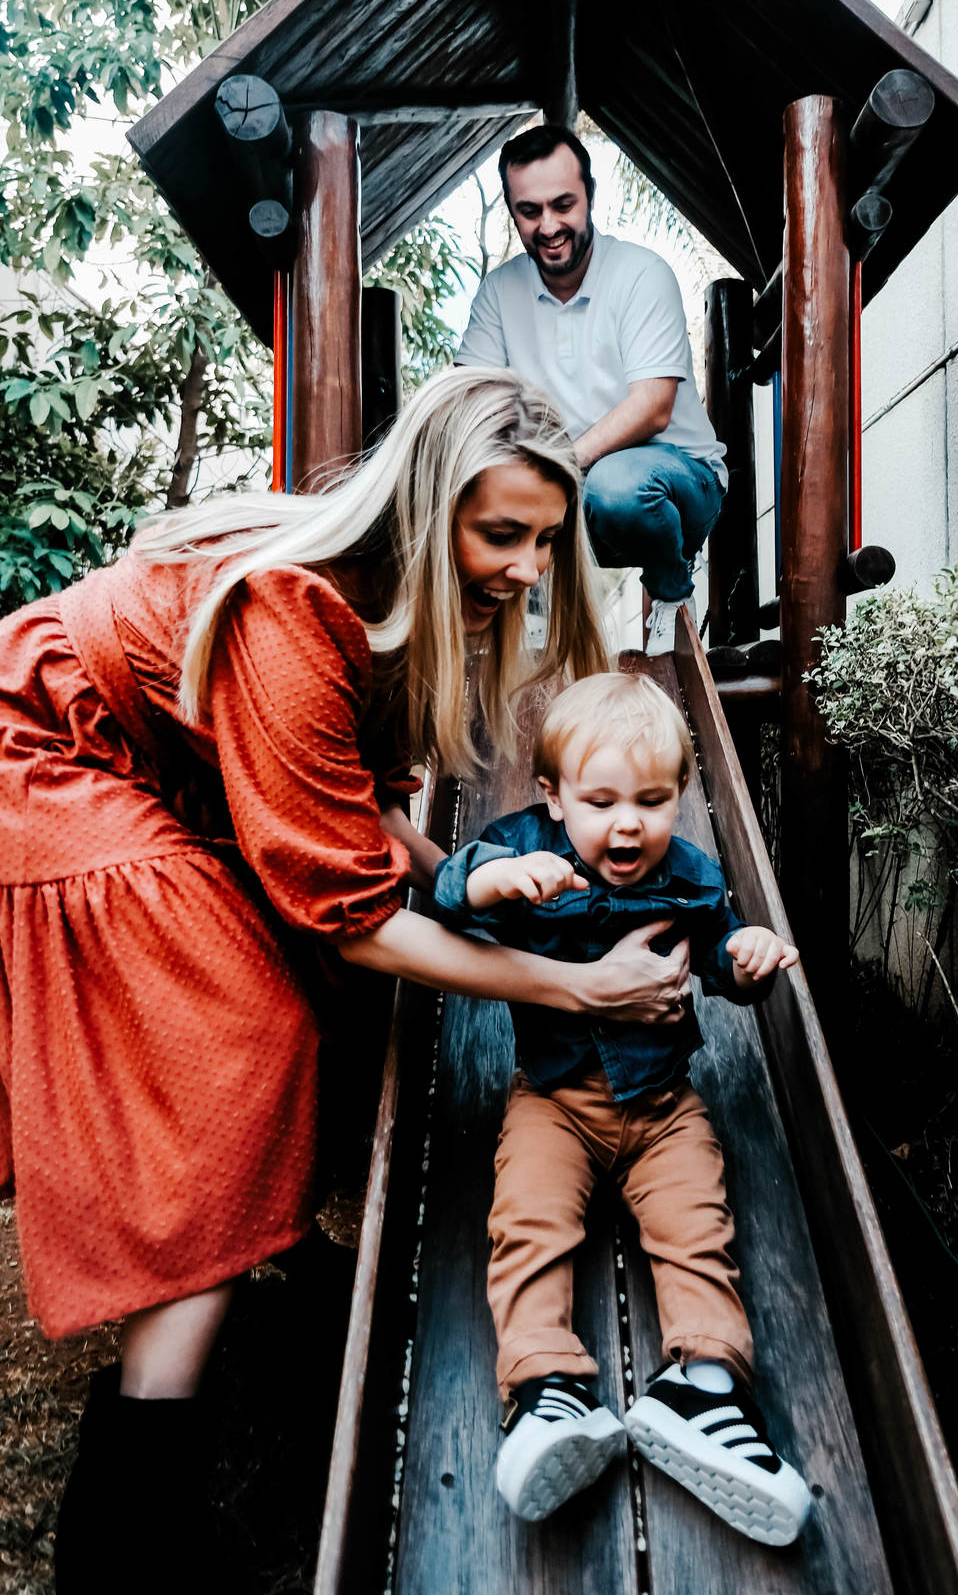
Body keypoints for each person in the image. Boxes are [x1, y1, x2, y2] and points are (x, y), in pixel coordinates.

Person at [0, 368, 694, 1592]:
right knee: (238, 1031)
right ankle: (128, 1530)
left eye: (545, 539)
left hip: (137, 765)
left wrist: (473, 884)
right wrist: (569, 987)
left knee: (310, 998)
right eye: (501, 535)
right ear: (426, 510)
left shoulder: (381, 605)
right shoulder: (291, 610)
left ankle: (270, 1252)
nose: (530, 569)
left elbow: (361, 826)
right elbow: (355, 915)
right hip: (43, 758)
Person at [430, 671, 811, 1546]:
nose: (627, 822)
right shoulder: (525, 851)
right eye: (600, 800)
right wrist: (498, 881)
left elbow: (717, 958)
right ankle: (547, 1390)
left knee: (696, 1227)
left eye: (650, 799)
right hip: (553, 1101)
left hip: (664, 1103)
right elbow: (452, 888)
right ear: (555, 799)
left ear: (680, 797)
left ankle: (705, 1389)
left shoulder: (691, 875)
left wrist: (745, 958)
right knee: (528, 1221)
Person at [456, 125, 727, 656]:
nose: (549, 225)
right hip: (569, 494)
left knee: (615, 487)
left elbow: (652, 407)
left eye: (563, 205)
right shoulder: (499, 292)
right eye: (530, 211)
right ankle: (525, 622)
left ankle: (672, 589)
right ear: (513, 212)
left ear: (590, 197)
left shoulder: (640, 273)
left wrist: (553, 465)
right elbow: (470, 404)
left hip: (675, 480)